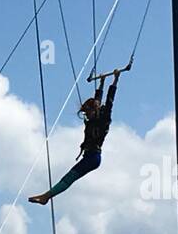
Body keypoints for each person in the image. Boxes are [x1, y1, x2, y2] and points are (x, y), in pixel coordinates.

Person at [28, 59, 132, 205]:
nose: (86, 115)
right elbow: (98, 99)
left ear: (94, 111)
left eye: (88, 112)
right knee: (70, 176)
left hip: (94, 157)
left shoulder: (103, 118)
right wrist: (101, 83)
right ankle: (46, 196)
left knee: (70, 176)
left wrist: (115, 79)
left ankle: (46, 196)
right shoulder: (92, 118)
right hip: (89, 156)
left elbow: (109, 100)